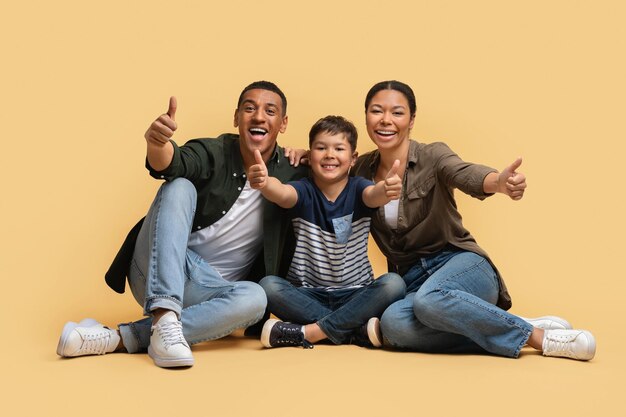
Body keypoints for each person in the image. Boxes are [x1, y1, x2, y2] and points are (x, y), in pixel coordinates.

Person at [57, 81, 307, 367]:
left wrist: (312, 155)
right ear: (236, 117)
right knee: (179, 186)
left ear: (283, 123)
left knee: (256, 297)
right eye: (249, 108)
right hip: (159, 271)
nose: (259, 116)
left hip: (214, 293)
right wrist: (157, 144)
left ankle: (120, 337)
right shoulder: (213, 152)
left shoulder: (293, 172)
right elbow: (172, 163)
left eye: (269, 111)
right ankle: (164, 313)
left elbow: (336, 168)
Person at [352, 80, 596, 361]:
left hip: (462, 265)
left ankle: (540, 338)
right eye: (376, 111)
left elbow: (464, 173)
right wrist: (303, 155)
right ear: (366, 116)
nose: (385, 120)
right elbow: (328, 170)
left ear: (412, 120)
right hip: (414, 281)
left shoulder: (433, 155)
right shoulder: (359, 170)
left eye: (397, 112)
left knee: (428, 301)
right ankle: (503, 323)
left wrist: (499, 183)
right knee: (393, 325)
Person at [247, 115, 406, 349]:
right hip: (307, 294)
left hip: (356, 294)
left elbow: (375, 195)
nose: (330, 154)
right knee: (268, 286)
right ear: (310, 157)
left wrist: (387, 189)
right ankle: (353, 331)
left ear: (352, 159)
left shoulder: (359, 188)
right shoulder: (303, 191)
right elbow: (281, 193)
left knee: (394, 284)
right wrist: (264, 183)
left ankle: (310, 332)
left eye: (339, 148)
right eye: (321, 148)